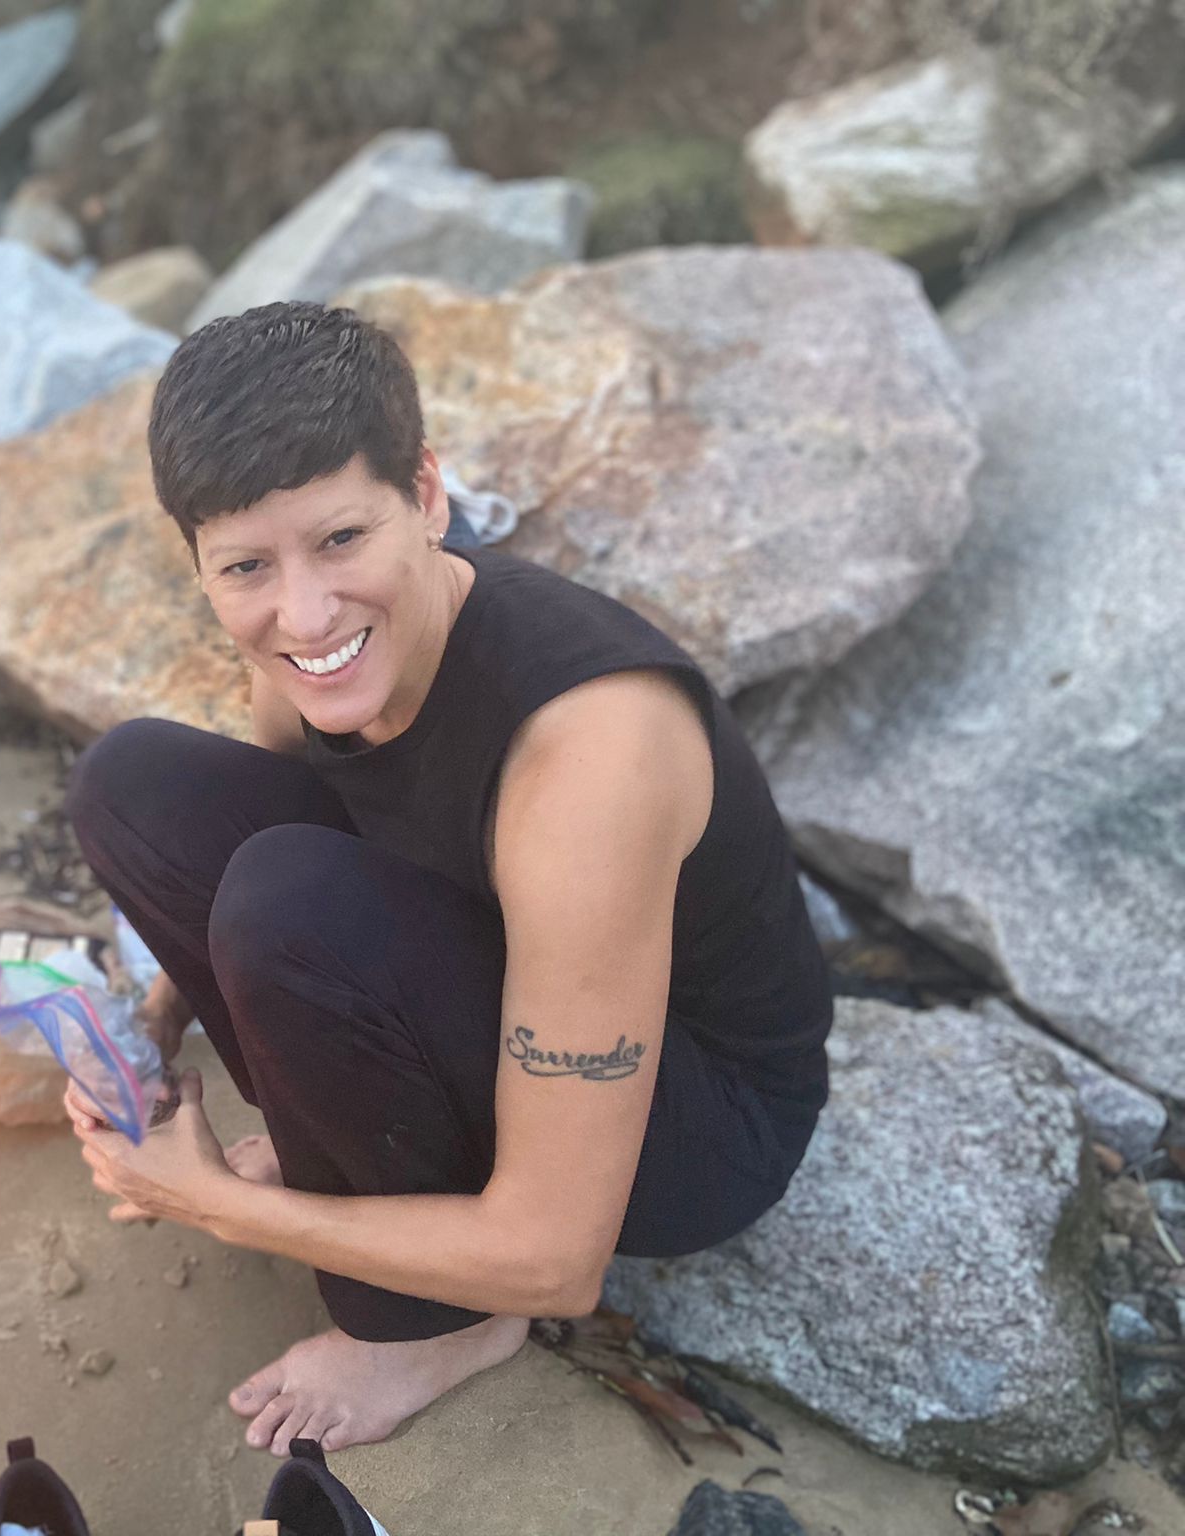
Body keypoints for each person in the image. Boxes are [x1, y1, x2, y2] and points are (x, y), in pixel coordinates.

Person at [62, 301, 834, 1458]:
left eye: (340, 540)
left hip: (689, 1119)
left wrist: (220, 1203)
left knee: (289, 905)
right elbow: (254, 821)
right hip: (489, 965)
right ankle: (367, 1161)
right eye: (244, 567)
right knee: (131, 782)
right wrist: (155, 1019)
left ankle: (436, 1328)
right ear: (200, 562)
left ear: (424, 495)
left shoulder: (590, 754)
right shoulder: (305, 645)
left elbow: (558, 1254)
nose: (305, 613)